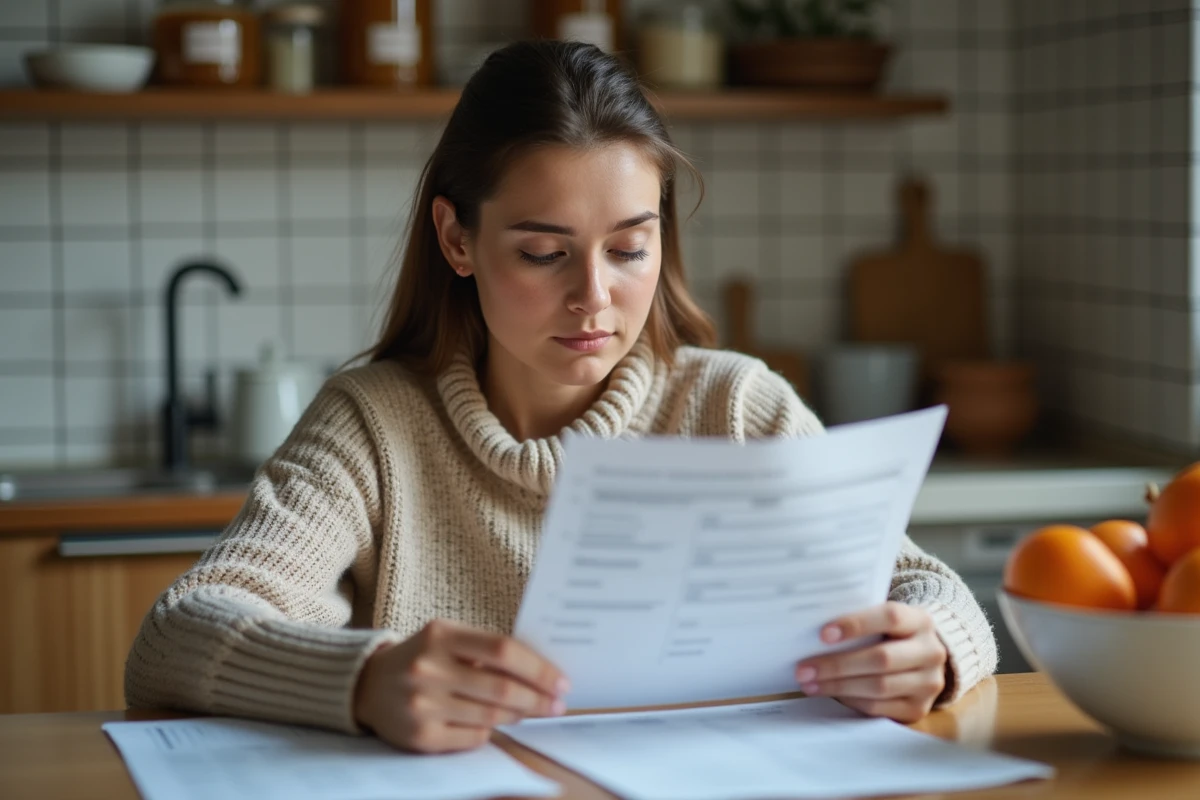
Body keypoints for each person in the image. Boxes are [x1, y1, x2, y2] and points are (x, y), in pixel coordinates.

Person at [125, 39, 996, 754]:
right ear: (457, 238)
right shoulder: (372, 424)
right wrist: (362, 680)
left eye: (629, 249)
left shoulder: (735, 409)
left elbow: (931, 588)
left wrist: (933, 649)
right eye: (544, 253)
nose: (594, 297)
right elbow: (177, 634)